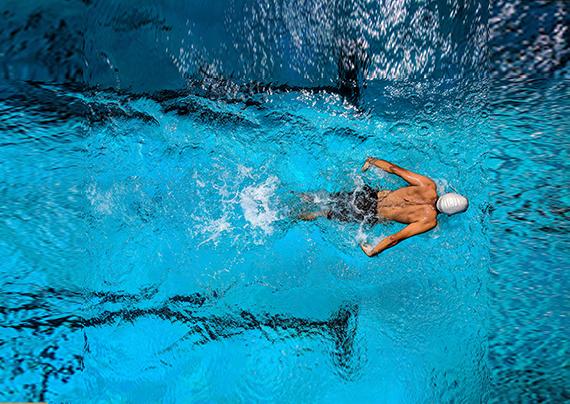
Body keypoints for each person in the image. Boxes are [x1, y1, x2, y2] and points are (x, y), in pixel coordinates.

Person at [299, 157, 468, 257]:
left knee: (323, 198)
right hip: (370, 214)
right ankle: (292, 217)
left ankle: (298, 196)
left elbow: (395, 169)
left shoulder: (428, 186)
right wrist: (374, 251)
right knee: (323, 213)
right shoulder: (429, 221)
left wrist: (372, 161)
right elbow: (395, 238)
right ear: (449, 213)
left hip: (368, 195)